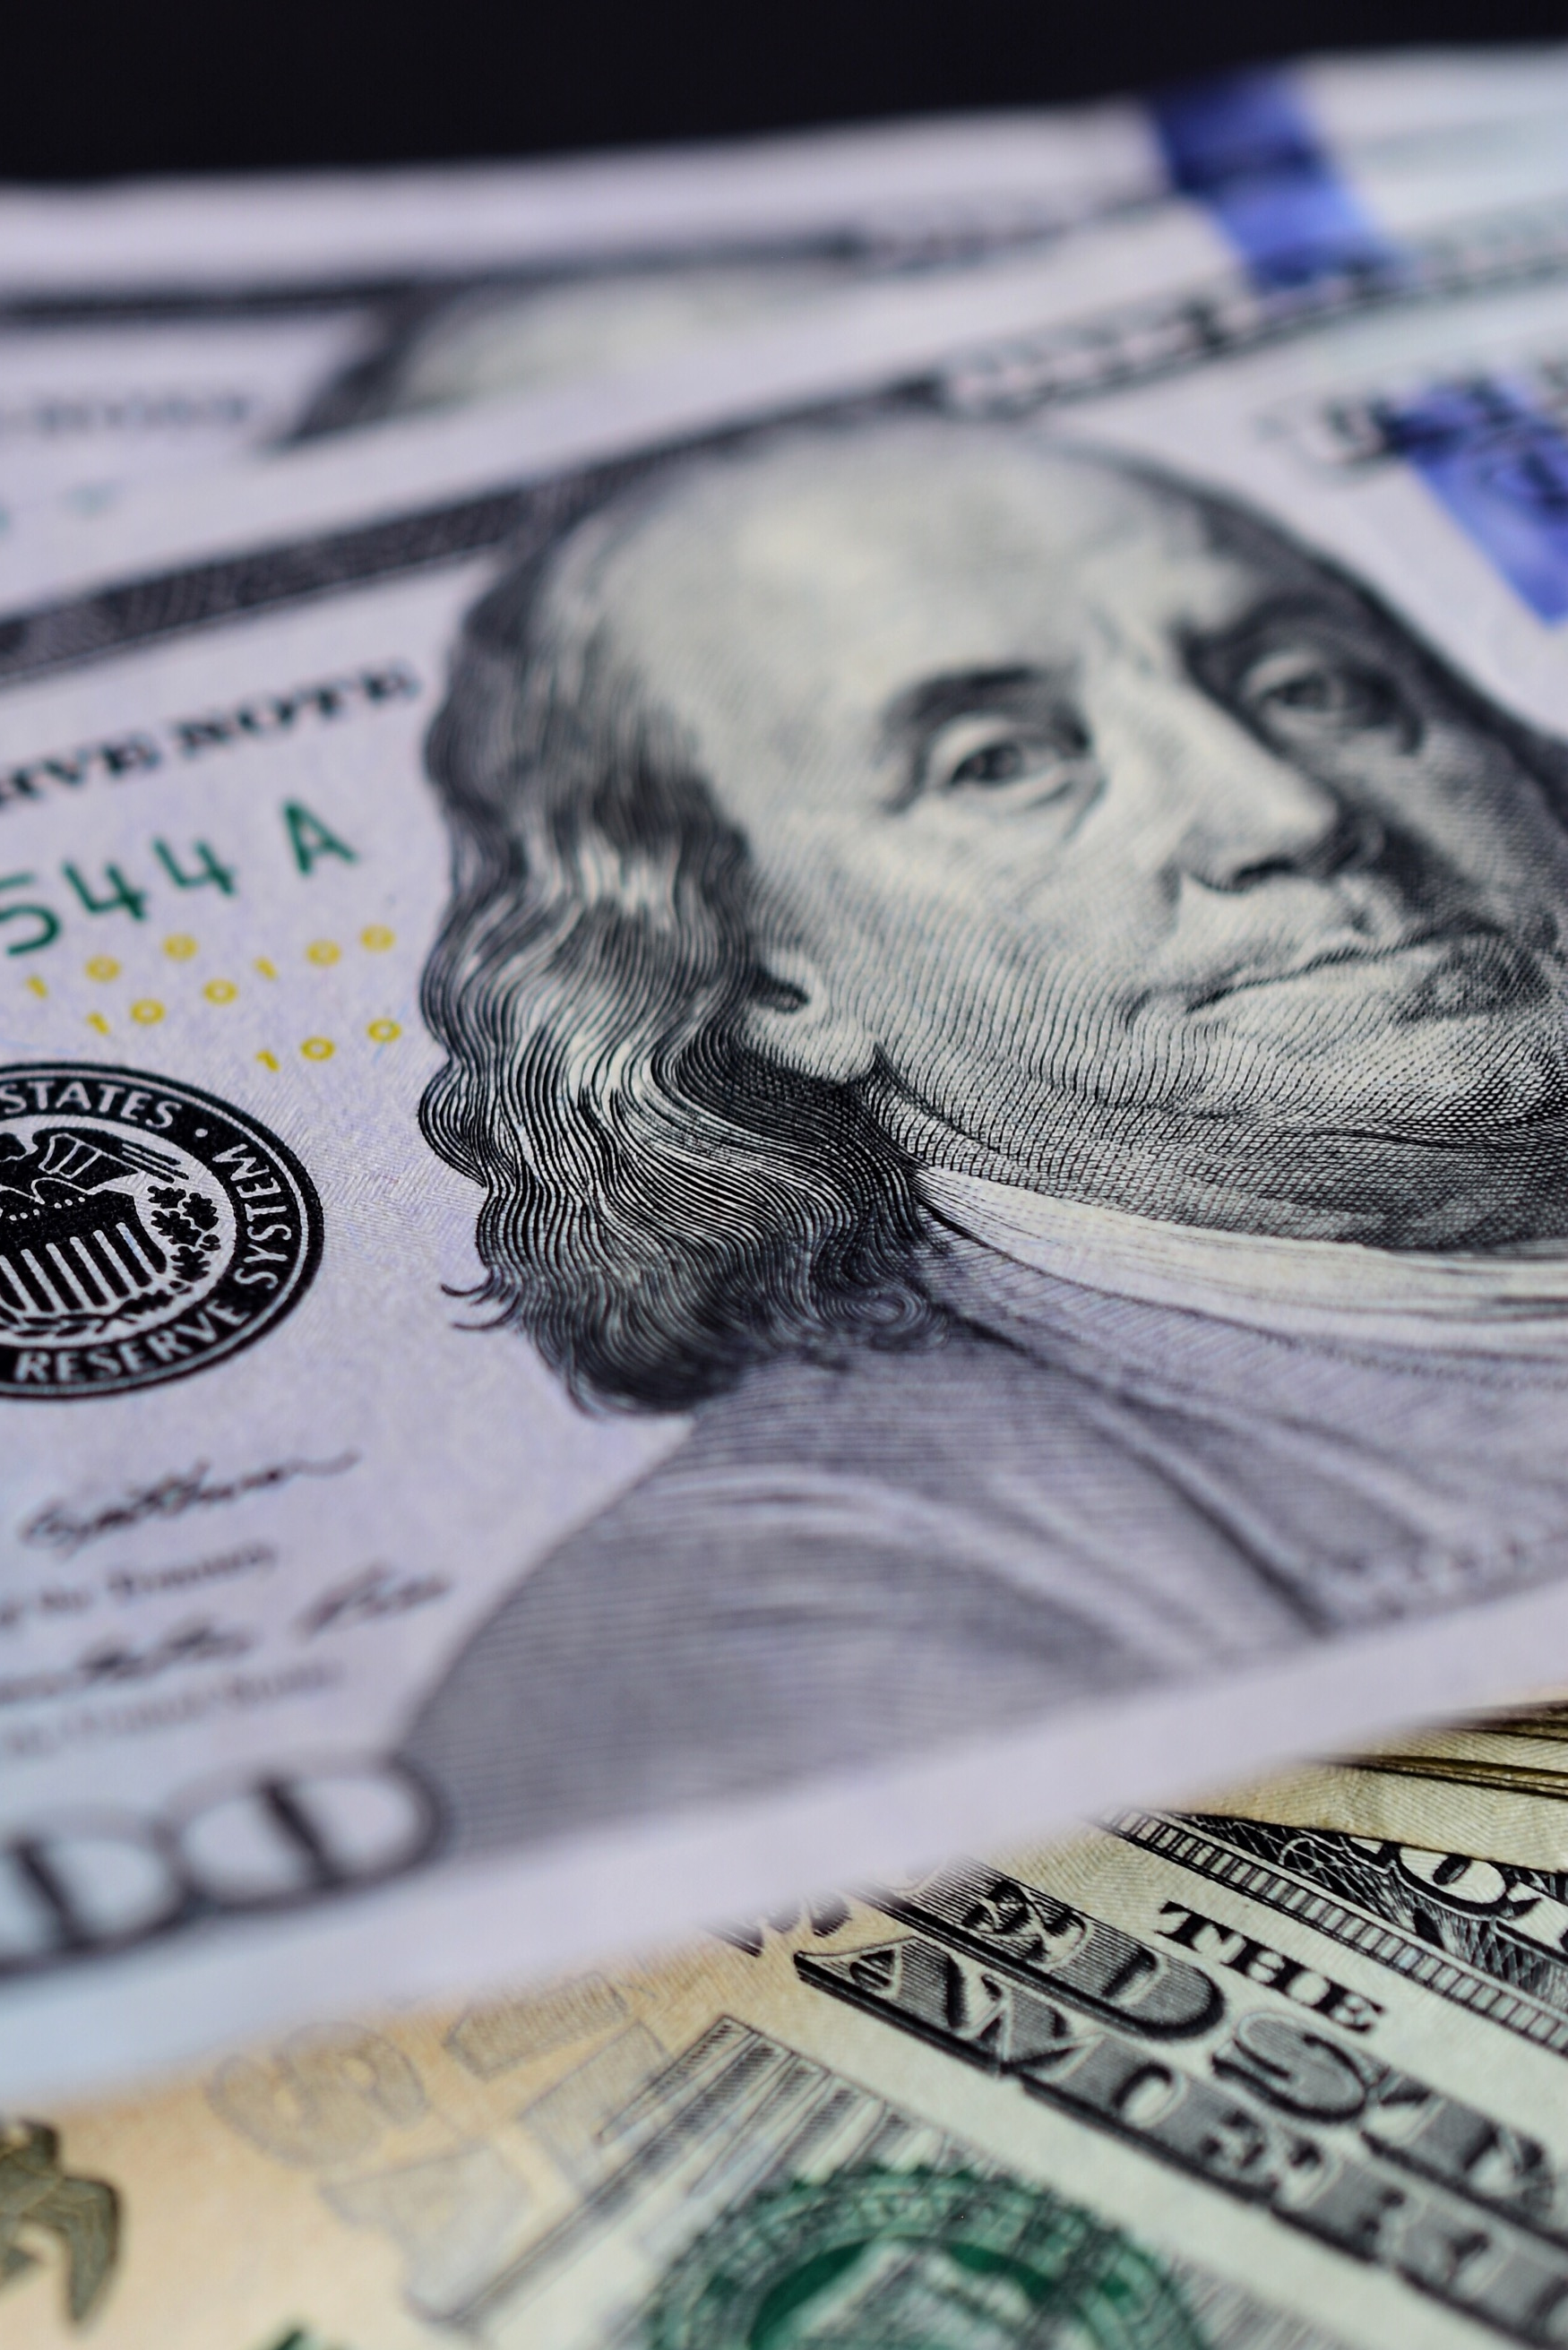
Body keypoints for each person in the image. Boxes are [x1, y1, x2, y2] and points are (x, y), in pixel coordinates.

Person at [397, 410, 1568, 1855]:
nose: (1287, 810)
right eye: (1003, 763)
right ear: (767, 970)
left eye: (1309, 683)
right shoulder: (803, 1624)